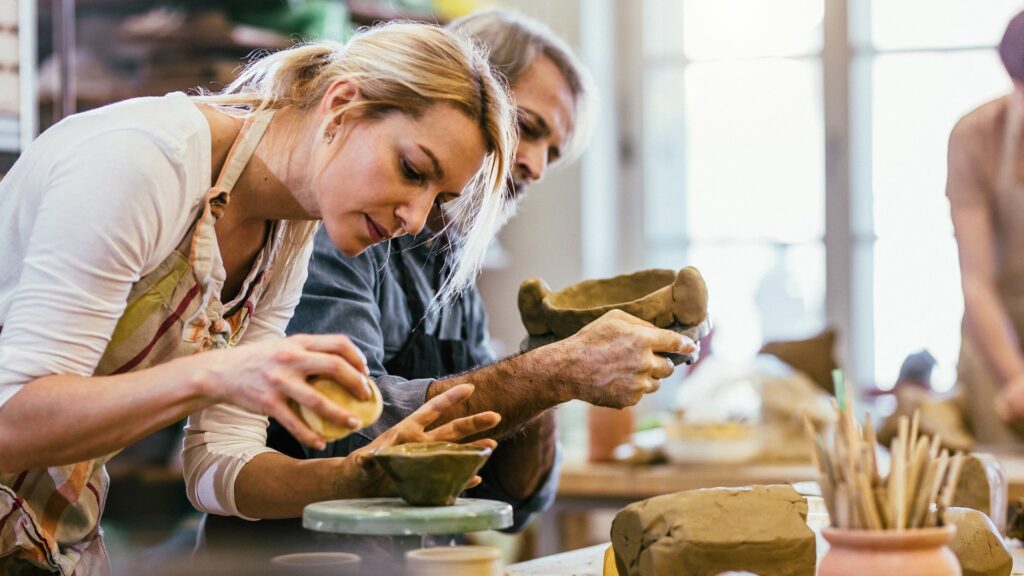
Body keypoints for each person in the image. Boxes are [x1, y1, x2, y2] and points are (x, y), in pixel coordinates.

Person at [0, 21, 516, 575]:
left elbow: (218, 467)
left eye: (438, 198)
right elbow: (11, 424)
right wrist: (221, 373)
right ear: (341, 106)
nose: (414, 219)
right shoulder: (144, 164)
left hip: (48, 535)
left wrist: (359, 476)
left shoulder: (287, 232)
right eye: (412, 170)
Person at [186, 9, 696, 545]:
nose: (538, 167)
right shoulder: (333, 224)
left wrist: (552, 351)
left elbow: (509, 498)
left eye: (555, 152)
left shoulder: (449, 263)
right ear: (465, 101)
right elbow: (341, 433)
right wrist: (551, 371)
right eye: (529, 129)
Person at [949, 10, 1024, 443]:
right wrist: (1015, 379)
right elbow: (976, 281)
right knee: (1003, 482)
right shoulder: (974, 137)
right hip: (994, 330)